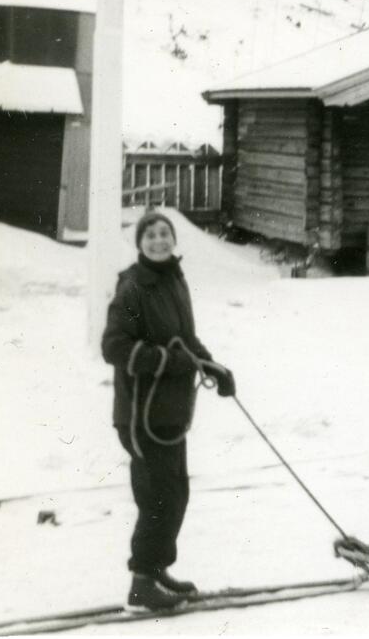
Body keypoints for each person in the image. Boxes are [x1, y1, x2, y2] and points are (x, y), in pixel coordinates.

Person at [101, 210, 236, 610]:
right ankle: (141, 583)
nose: (158, 240)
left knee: (175, 495)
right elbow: (113, 346)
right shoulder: (132, 287)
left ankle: (157, 569)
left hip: (171, 413)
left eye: (164, 234)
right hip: (142, 416)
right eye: (150, 235)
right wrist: (166, 362)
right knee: (156, 497)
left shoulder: (174, 279)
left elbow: (186, 339)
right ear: (139, 242)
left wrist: (214, 367)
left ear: (174, 240)